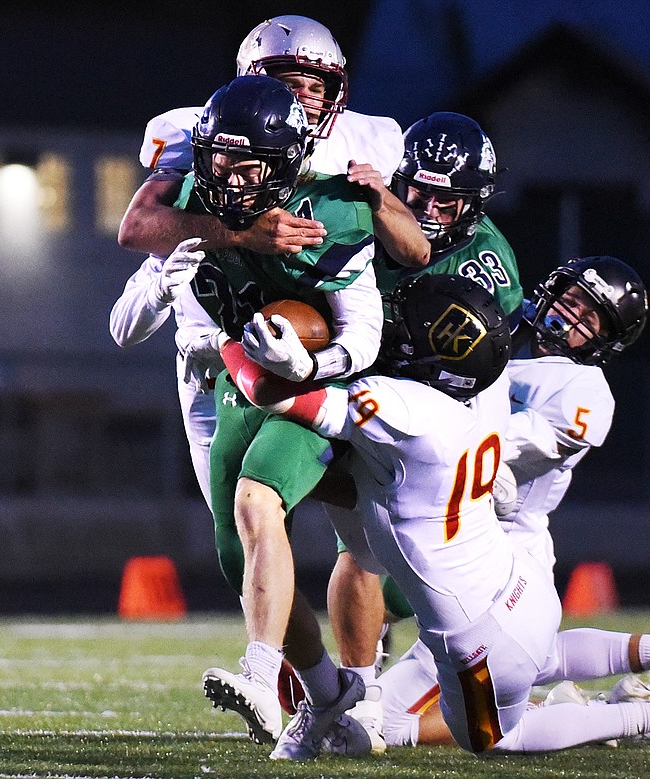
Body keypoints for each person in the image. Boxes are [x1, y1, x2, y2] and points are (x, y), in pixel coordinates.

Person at [218, 272, 650, 759]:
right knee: (538, 657)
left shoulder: (407, 406)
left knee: (478, 734)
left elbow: (276, 397)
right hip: (518, 582)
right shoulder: (478, 399)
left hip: (476, 621)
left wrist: (227, 339)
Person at [108, 14, 429, 746]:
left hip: (315, 344)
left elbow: (410, 250)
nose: (304, 100)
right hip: (213, 358)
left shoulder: (365, 148)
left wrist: (379, 198)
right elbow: (142, 225)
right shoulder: (201, 132)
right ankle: (325, 693)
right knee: (237, 542)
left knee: (364, 540)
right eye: (286, 83)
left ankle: (370, 687)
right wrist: (233, 237)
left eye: (317, 86)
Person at [371, 256, 650, 750]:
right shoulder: (499, 329)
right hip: (479, 550)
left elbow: (481, 448)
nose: (568, 317)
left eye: (587, 318)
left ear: (605, 340)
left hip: (498, 555)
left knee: (447, 728)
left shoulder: (584, 390)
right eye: (570, 300)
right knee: (537, 659)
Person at [173, 74, 385, 760]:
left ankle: (265, 677)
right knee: (236, 548)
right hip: (243, 372)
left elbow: (365, 334)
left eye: (244, 164)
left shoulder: (335, 212)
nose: (224, 176)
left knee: (259, 497)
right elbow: (194, 316)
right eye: (216, 159)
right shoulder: (199, 203)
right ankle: (329, 696)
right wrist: (220, 339)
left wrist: (305, 365)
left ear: (287, 164)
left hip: (311, 383)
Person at [319, 111, 524, 750]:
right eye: (420, 190)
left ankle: (478, 676)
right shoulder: (373, 210)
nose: (430, 207)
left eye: (447, 198)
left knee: (447, 553)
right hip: (364, 384)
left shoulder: (486, 260)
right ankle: (360, 687)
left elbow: (483, 367)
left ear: (474, 201)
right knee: (361, 552)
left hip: (445, 403)